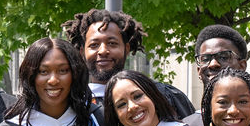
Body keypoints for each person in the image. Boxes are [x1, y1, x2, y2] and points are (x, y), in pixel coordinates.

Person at [62, 9, 194, 117]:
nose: (103, 51)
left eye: (112, 43)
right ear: (82, 52)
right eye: (94, 45)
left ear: (126, 49)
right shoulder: (71, 103)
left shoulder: (162, 96)